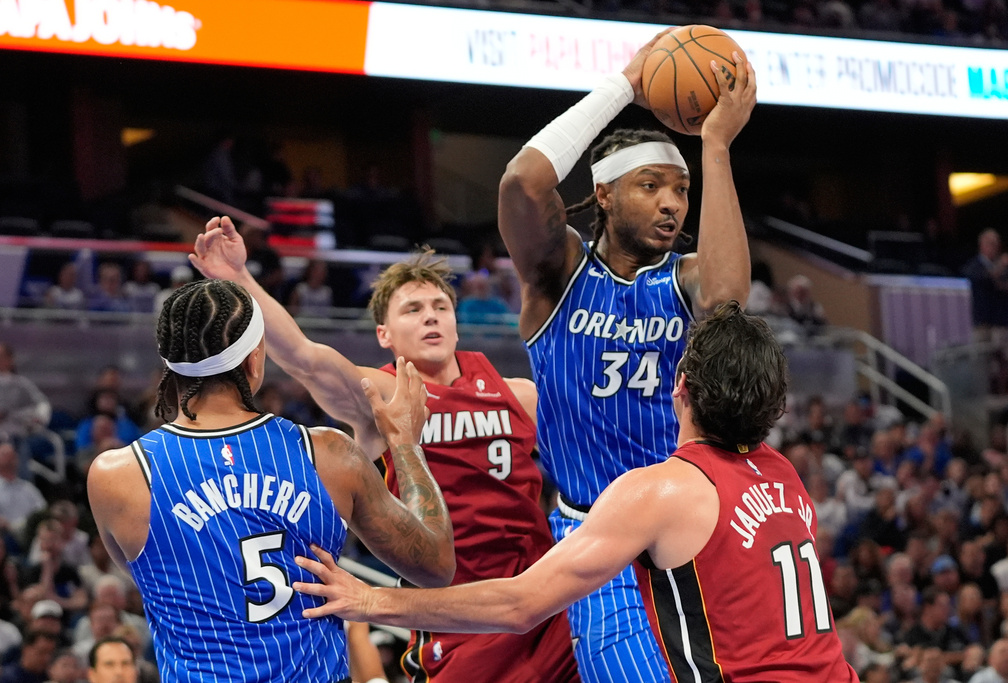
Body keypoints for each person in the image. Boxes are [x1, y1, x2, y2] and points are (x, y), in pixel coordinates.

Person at [293, 302, 859, 682]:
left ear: (680, 387)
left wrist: (372, 599)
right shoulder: (786, 475)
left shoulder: (661, 490)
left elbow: (519, 605)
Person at [190, 218, 580, 683]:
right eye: (412, 309)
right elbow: (305, 358)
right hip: (450, 611)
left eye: (440, 306)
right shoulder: (379, 394)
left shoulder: (521, 394)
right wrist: (239, 277)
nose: (431, 315)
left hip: (543, 600)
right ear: (384, 335)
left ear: (457, 322)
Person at [494, 27, 756, 681]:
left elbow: (727, 301)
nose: (672, 203)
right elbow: (521, 185)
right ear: (604, 193)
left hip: (693, 533)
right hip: (596, 540)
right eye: (650, 185)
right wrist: (626, 86)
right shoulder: (559, 274)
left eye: (681, 189)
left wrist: (715, 148)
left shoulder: (684, 279)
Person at [86, 278, 455, 683]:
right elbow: (435, 567)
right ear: (254, 359)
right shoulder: (329, 454)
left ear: (170, 364)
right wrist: (405, 444)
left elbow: (144, 573)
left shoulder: (117, 476)